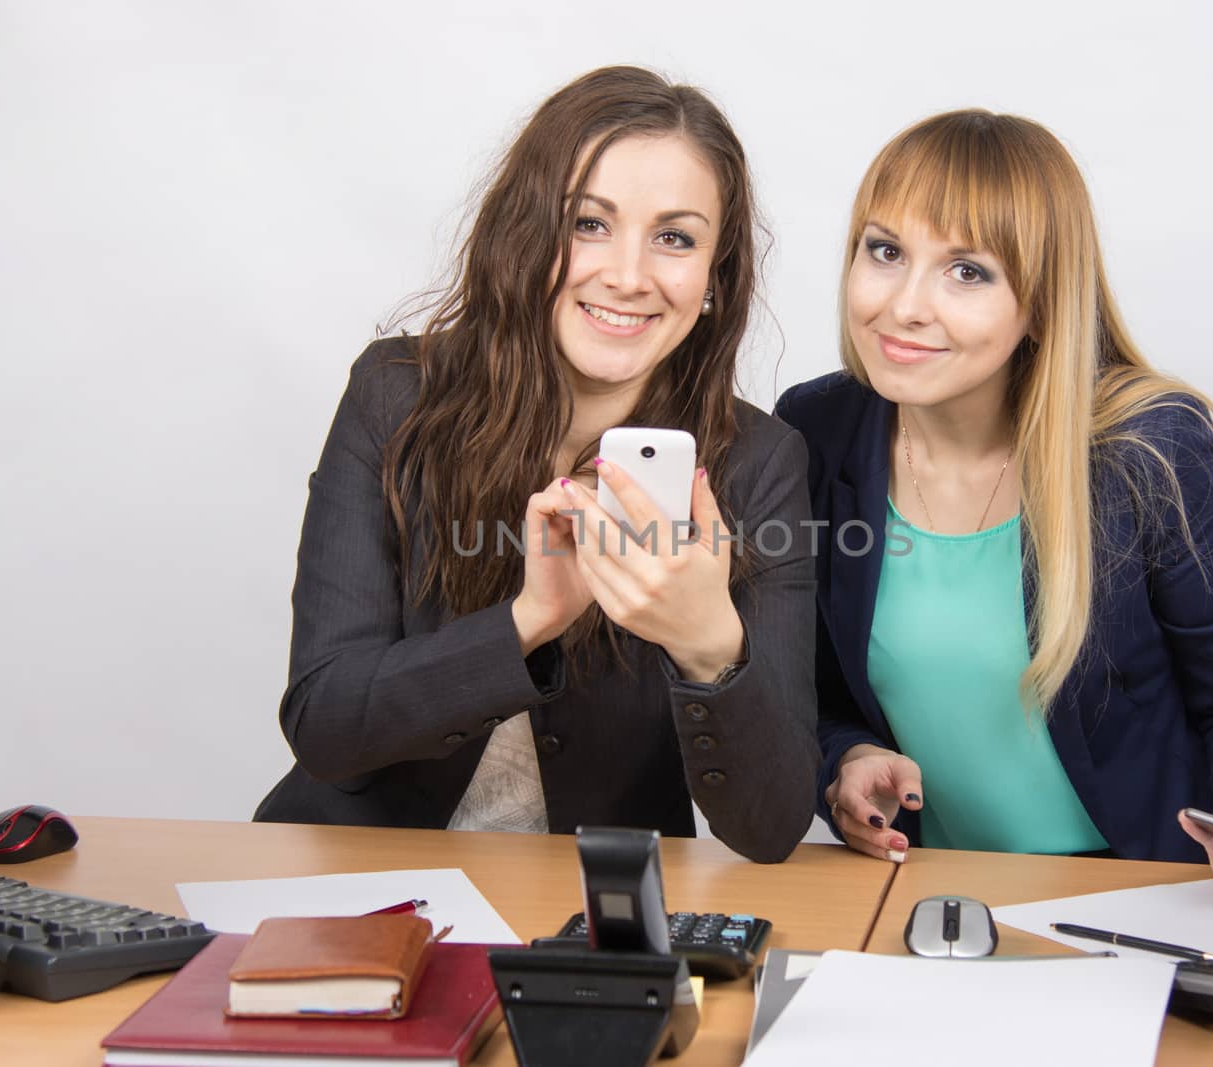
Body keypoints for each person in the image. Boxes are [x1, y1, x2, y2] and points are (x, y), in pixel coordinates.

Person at [254, 66, 820, 863]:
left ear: (715, 280)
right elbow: (325, 724)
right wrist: (529, 623)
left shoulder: (759, 463)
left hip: (595, 908)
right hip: (364, 880)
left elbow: (771, 826)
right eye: (589, 223)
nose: (627, 274)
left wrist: (710, 646)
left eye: (675, 237)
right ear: (525, 236)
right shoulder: (394, 398)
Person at [774, 110, 1213, 892]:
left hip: (1151, 896)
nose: (904, 306)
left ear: (1038, 303)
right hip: (939, 891)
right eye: (886, 250)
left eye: (968, 271)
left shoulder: (1152, 451)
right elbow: (815, 691)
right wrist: (849, 759)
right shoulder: (814, 430)